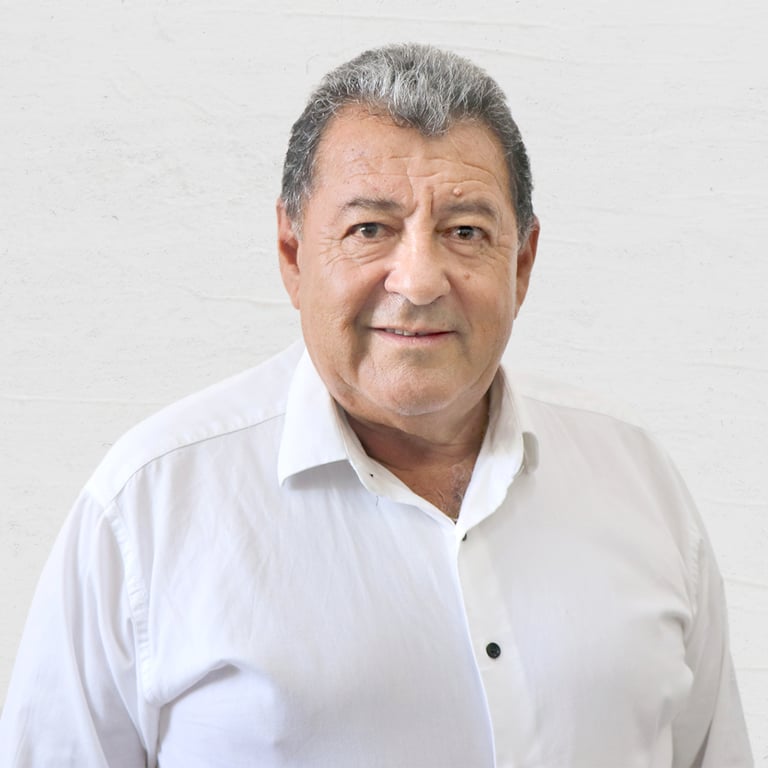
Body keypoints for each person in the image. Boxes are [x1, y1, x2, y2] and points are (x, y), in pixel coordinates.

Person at [0, 43, 752, 767]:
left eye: (465, 231)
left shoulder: (638, 480)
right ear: (293, 254)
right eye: (370, 229)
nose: (419, 281)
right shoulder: (147, 508)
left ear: (521, 263)